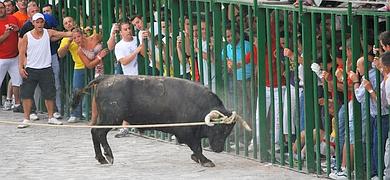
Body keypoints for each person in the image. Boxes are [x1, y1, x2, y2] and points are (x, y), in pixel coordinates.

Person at [18, 13, 72, 128]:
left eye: (41, 22)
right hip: (31, 68)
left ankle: (51, 117)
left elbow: (63, 34)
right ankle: (26, 118)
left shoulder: (48, 33)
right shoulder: (27, 36)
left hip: (46, 68)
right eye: (37, 22)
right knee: (27, 94)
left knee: (49, 94)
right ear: (33, 23)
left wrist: (75, 33)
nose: (39, 24)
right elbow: (22, 53)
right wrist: (21, 68)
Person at [0, 2, 22, 112]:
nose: (1, 10)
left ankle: (17, 104)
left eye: (2, 8)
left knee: (17, 81)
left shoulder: (13, 18)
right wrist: (5, 35)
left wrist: (17, 29)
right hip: (1, 58)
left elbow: (21, 33)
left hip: (14, 56)